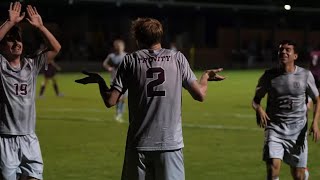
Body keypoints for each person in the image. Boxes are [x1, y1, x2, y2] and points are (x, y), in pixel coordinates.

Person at [75, 17, 225, 180]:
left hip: (139, 146)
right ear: (160, 36)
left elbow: (110, 101)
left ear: (138, 38)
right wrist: (205, 77)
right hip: (170, 145)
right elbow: (200, 95)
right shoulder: (177, 58)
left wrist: (100, 81)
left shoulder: (130, 60)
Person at [0, 2, 61, 180]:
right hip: (5, 138)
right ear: (2, 47)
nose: (16, 43)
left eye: (18, 39)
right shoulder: (1, 65)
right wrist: (9, 23)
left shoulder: (31, 64)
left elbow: (56, 48)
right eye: (10, 40)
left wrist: (41, 27)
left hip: (29, 138)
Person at [252, 40, 320, 180]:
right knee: (272, 171)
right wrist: (258, 108)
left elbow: (317, 99)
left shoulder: (305, 75)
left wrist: (315, 122)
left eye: (288, 50)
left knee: (298, 176)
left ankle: (304, 173)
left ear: (295, 56)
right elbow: (255, 100)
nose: (283, 52)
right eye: (281, 50)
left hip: (298, 132)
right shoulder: (268, 76)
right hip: (274, 129)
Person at [102, 39, 127, 122]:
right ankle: (118, 113)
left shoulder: (126, 56)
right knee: (119, 97)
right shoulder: (112, 56)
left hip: (125, 80)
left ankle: (120, 114)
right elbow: (104, 63)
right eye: (118, 46)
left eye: (121, 46)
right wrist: (109, 68)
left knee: (123, 98)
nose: (119, 48)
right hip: (114, 79)